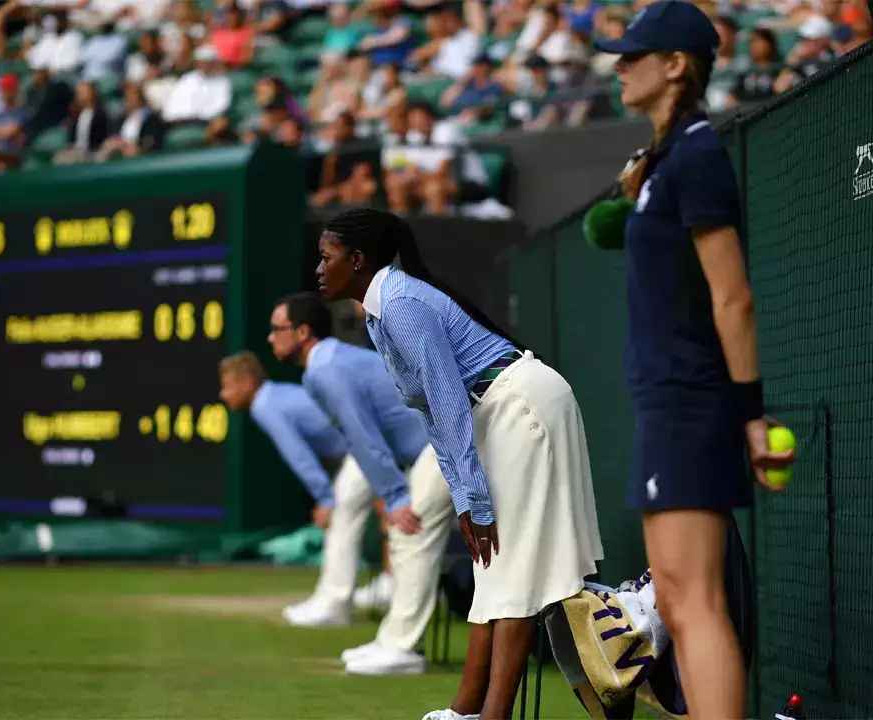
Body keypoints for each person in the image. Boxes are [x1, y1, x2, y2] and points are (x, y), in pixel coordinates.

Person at [314, 208, 604, 720]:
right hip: (500, 408)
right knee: (494, 564)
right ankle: (467, 710)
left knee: (513, 566)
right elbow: (435, 411)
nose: (318, 268)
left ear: (357, 260)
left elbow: (447, 402)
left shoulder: (399, 303)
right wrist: (464, 493)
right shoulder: (384, 307)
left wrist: (472, 499)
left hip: (521, 405)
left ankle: (491, 715)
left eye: (326, 257)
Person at [592, 2, 795, 718]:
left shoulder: (700, 155)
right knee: (676, 600)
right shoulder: (665, 161)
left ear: (676, 65)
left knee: (698, 601)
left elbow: (733, 297)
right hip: (666, 400)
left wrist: (749, 416)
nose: (619, 66)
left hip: (692, 401)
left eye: (634, 55)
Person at [270, 292, 454, 676]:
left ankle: (404, 648)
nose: (271, 338)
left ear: (302, 332)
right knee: (406, 536)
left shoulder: (326, 368)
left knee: (411, 532)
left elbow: (363, 436)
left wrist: (394, 494)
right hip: (427, 446)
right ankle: (394, 640)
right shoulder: (326, 364)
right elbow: (362, 439)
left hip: (440, 442)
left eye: (277, 330)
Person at [216, 350, 390, 626]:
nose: (223, 395)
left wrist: (324, 498)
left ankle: (335, 604)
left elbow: (299, 457)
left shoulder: (265, 405)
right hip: (367, 442)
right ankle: (338, 598)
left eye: (227, 386)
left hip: (366, 442)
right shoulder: (275, 396)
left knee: (342, 511)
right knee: (355, 512)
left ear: (248, 382)